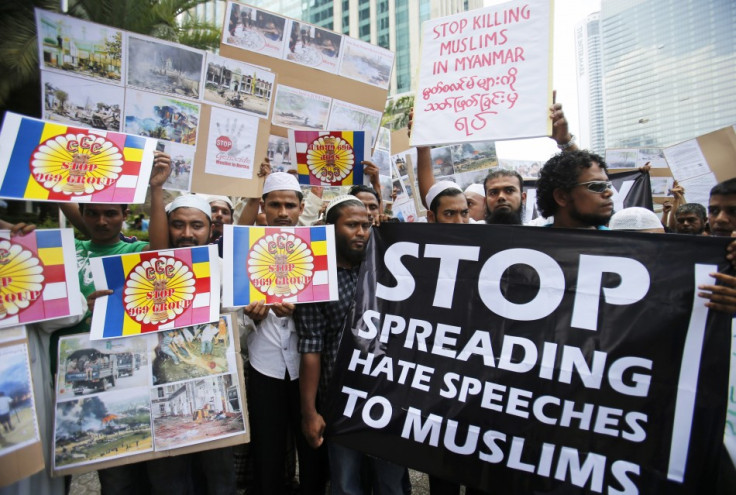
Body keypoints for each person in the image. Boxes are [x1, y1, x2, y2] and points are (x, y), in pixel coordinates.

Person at [296, 195, 406, 494]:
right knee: (345, 485)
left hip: (386, 399)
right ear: (329, 228)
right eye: (352, 225)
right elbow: (311, 349)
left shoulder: (386, 272)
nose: (362, 232)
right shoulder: (316, 282)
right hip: (339, 404)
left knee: (390, 484)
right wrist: (310, 412)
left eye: (367, 225)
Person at [243, 172, 327, 495]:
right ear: (262, 206)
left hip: (307, 364)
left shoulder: (317, 251)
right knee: (267, 448)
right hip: (264, 364)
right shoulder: (244, 252)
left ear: (301, 207)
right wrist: (251, 315)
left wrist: (303, 309)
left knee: (312, 446)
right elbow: (233, 320)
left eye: (289, 205)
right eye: (274, 204)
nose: (282, 212)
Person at [536, 150, 613, 229]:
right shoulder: (531, 240)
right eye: (596, 186)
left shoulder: (618, 240)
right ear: (561, 197)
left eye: (608, 185)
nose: (609, 192)